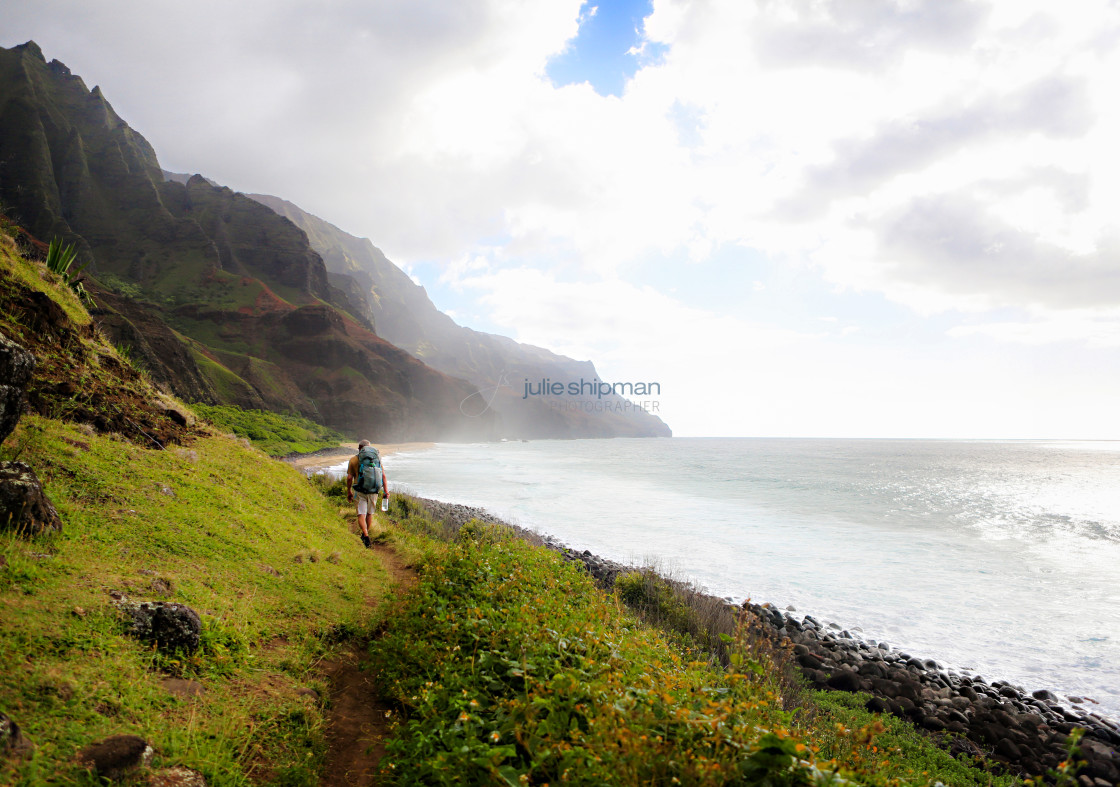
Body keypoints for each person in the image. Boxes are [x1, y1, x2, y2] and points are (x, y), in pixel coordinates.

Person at [346, 440, 389, 548]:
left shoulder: (354, 459)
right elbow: (383, 476)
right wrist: (386, 491)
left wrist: (349, 491)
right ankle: (365, 534)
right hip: (373, 491)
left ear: (359, 448)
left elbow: (349, 478)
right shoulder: (376, 459)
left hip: (360, 491)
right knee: (369, 514)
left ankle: (365, 535)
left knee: (361, 514)